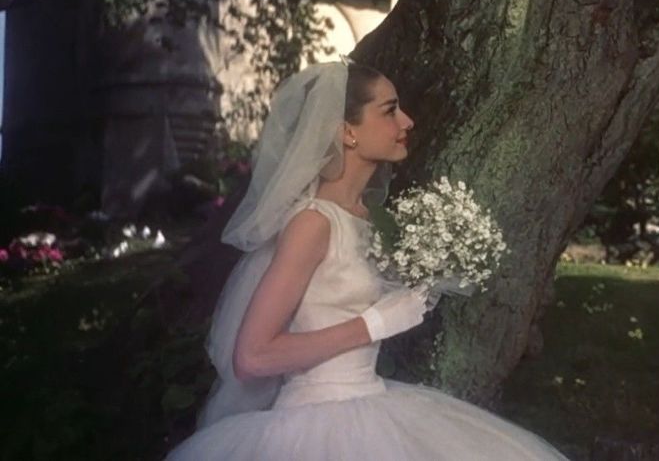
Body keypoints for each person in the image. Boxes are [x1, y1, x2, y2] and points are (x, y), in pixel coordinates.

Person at [167, 60, 569, 460]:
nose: (407, 121)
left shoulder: (367, 220)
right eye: (390, 110)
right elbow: (252, 356)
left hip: (374, 400)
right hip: (314, 426)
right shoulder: (313, 222)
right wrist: (373, 324)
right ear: (347, 132)